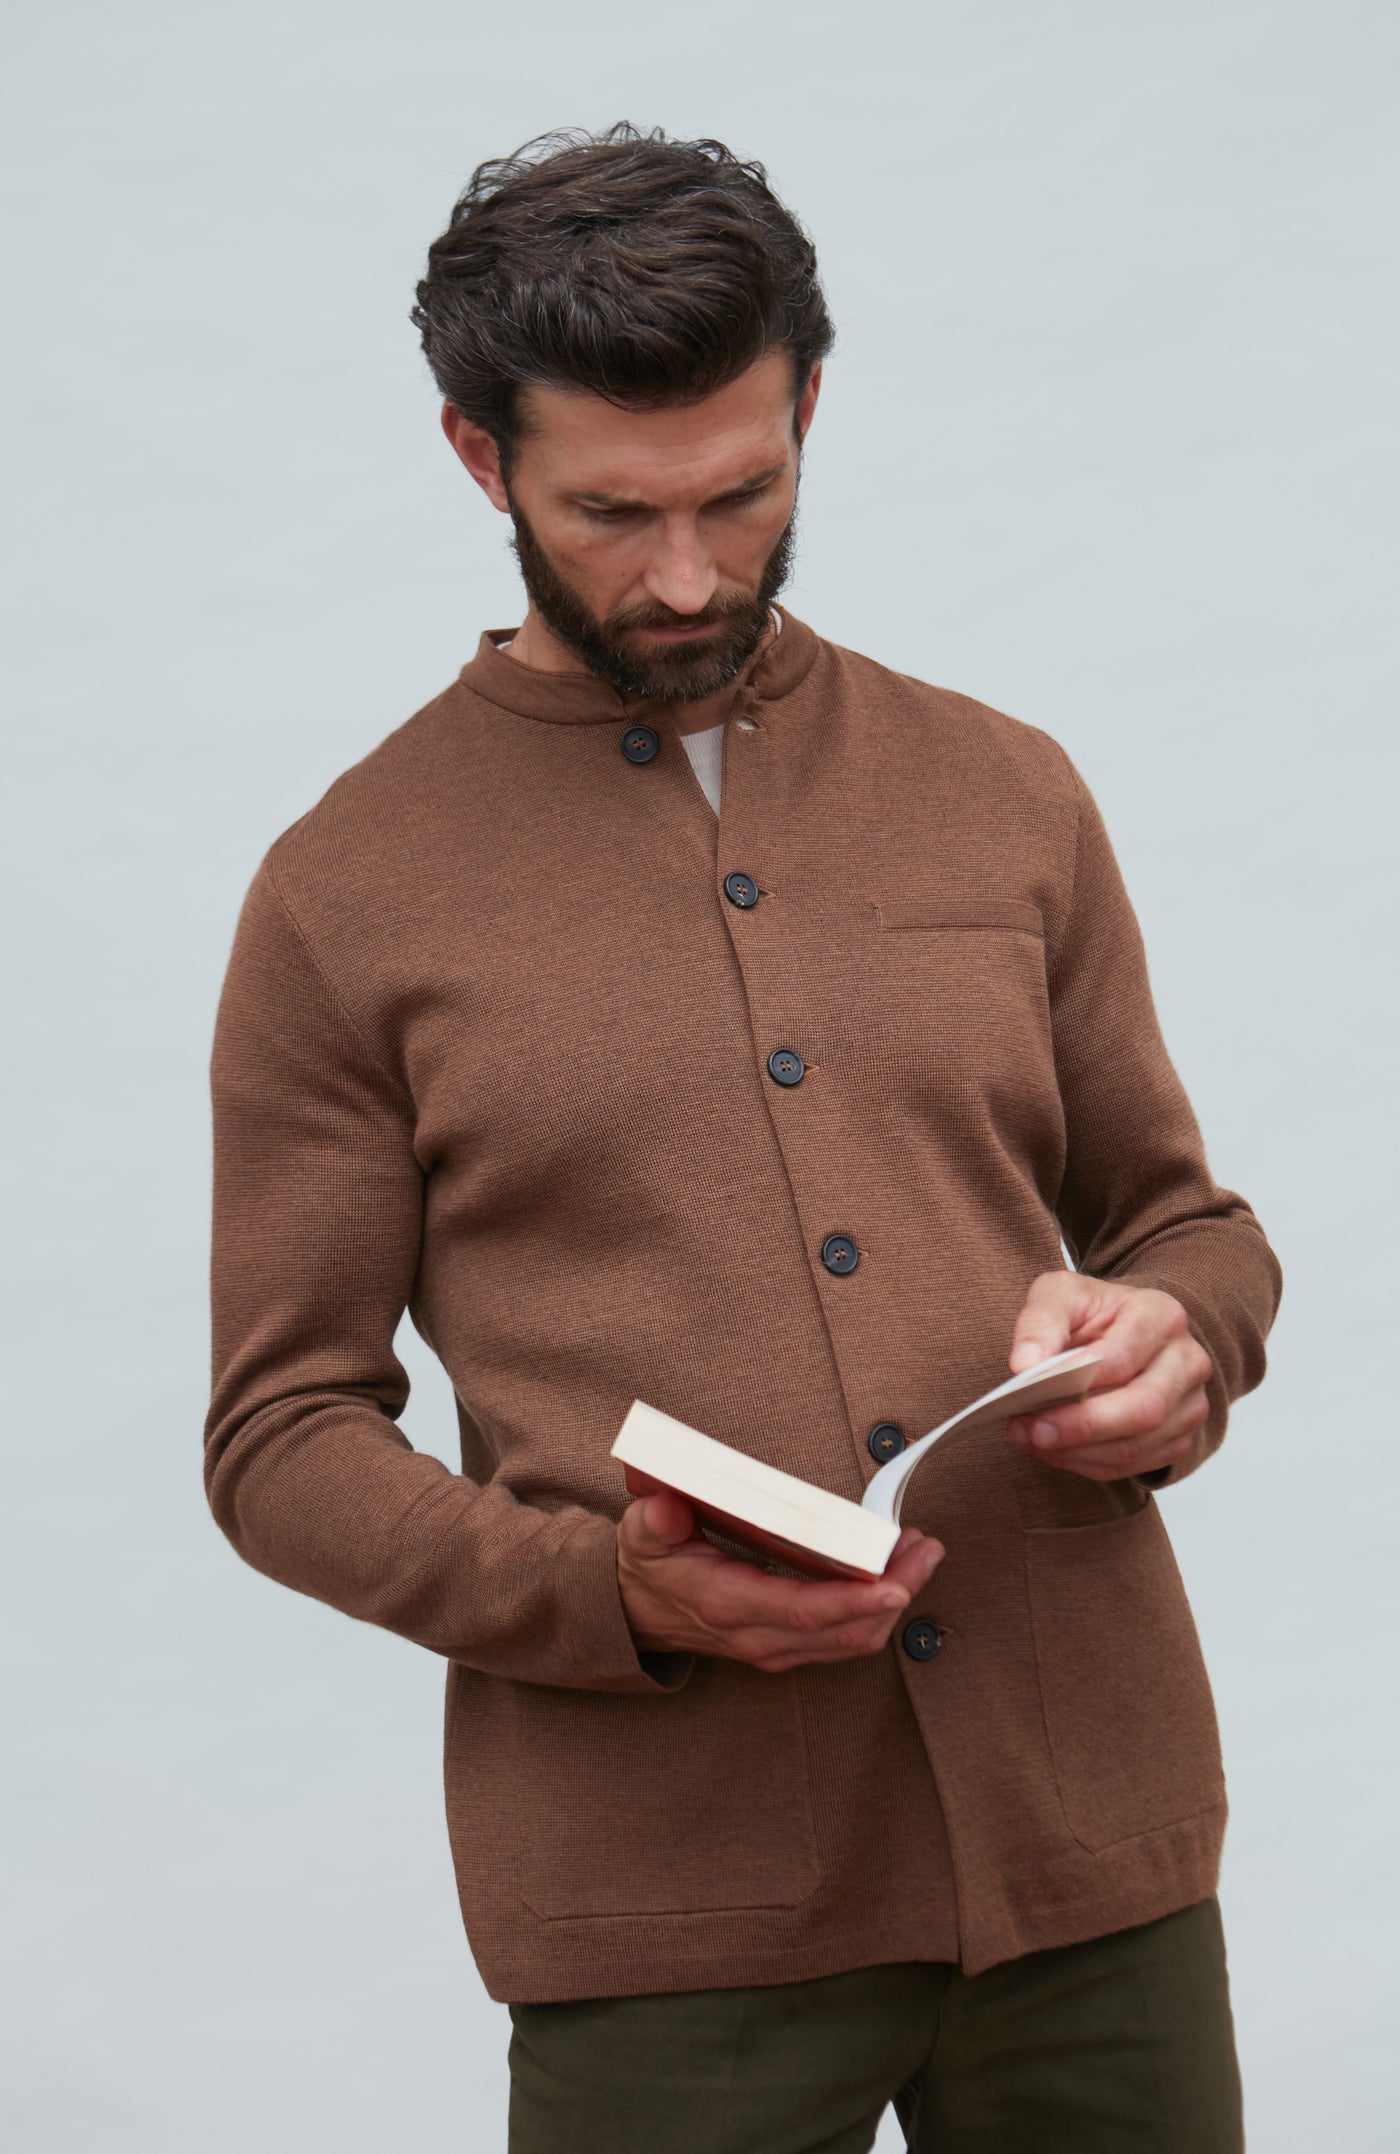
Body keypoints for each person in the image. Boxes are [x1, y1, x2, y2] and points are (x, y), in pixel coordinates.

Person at [203, 123, 1282, 2153]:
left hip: (1091, 1861)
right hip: (666, 1899)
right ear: (477, 458)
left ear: (809, 409)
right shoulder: (344, 895)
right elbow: (278, 1443)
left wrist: (1179, 1346)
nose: (688, 574)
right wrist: (612, 1595)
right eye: (614, 511)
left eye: (744, 493)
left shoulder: (1004, 791)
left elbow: (1184, 1224)